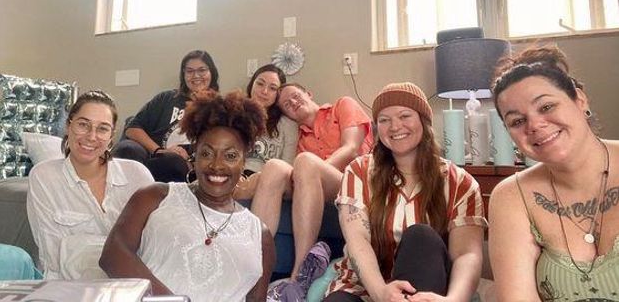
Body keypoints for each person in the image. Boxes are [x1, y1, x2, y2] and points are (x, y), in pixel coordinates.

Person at [100, 91, 276, 301]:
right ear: (193, 156)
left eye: (230, 156)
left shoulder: (260, 235)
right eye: (206, 153)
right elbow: (112, 255)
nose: (217, 165)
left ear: (243, 161)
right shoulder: (155, 196)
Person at [324, 82, 487, 302]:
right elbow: (357, 240)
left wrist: (454, 299)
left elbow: (466, 254)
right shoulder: (358, 171)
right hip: (364, 288)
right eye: (384, 120)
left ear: (424, 121)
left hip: (425, 289)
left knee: (421, 236)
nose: (394, 126)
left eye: (404, 116)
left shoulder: (460, 182)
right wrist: (381, 293)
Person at [488, 45, 619, 300]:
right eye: (517, 121)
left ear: (580, 101)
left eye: (546, 107)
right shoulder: (511, 196)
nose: (534, 125)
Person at [253, 83, 374, 295]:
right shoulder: (299, 138)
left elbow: (351, 148)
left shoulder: (342, 105)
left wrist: (310, 169)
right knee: (274, 167)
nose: (293, 103)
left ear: (309, 93)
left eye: (296, 96)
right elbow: (295, 175)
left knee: (306, 162)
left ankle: (299, 276)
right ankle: (251, 264)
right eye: (286, 105)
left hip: (355, 185)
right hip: (318, 189)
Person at [27, 90, 154, 280]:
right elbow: (52, 258)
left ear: (111, 136)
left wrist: (77, 246)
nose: (91, 136)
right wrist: (123, 255)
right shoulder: (44, 176)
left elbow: (154, 244)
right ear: (68, 126)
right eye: (83, 125)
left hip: (134, 285)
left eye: (102, 128)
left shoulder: (137, 174)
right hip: (71, 290)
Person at [114, 50, 220, 182]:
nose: (196, 75)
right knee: (127, 149)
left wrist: (191, 161)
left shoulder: (219, 108)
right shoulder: (166, 98)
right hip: (152, 156)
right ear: (183, 75)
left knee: (175, 163)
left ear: (212, 73)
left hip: (183, 165)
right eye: (189, 71)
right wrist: (159, 150)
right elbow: (132, 128)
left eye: (202, 70)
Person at [234, 64, 298, 200]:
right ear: (252, 85)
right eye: (260, 84)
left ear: (278, 95)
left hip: (268, 182)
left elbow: (287, 168)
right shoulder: (233, 115)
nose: (264, 91)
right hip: (236, 177)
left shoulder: (288, 125)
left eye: (272, 88)